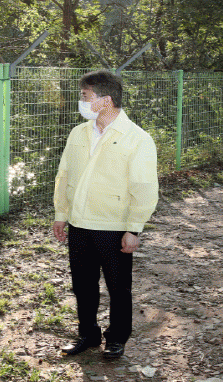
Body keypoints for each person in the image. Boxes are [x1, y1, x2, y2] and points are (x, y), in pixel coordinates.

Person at [52, 70, 158, 358]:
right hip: (79, 223)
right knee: (82, 286)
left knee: (118, 287)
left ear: (106, 100)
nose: (81, 101)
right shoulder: (79, 133)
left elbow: (144, 187)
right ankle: (87, 334)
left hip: (113, 226)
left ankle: (117, 338)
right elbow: (64, 174)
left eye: (85, 96)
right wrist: (61, 213)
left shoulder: (137, 138)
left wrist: (134, 228)